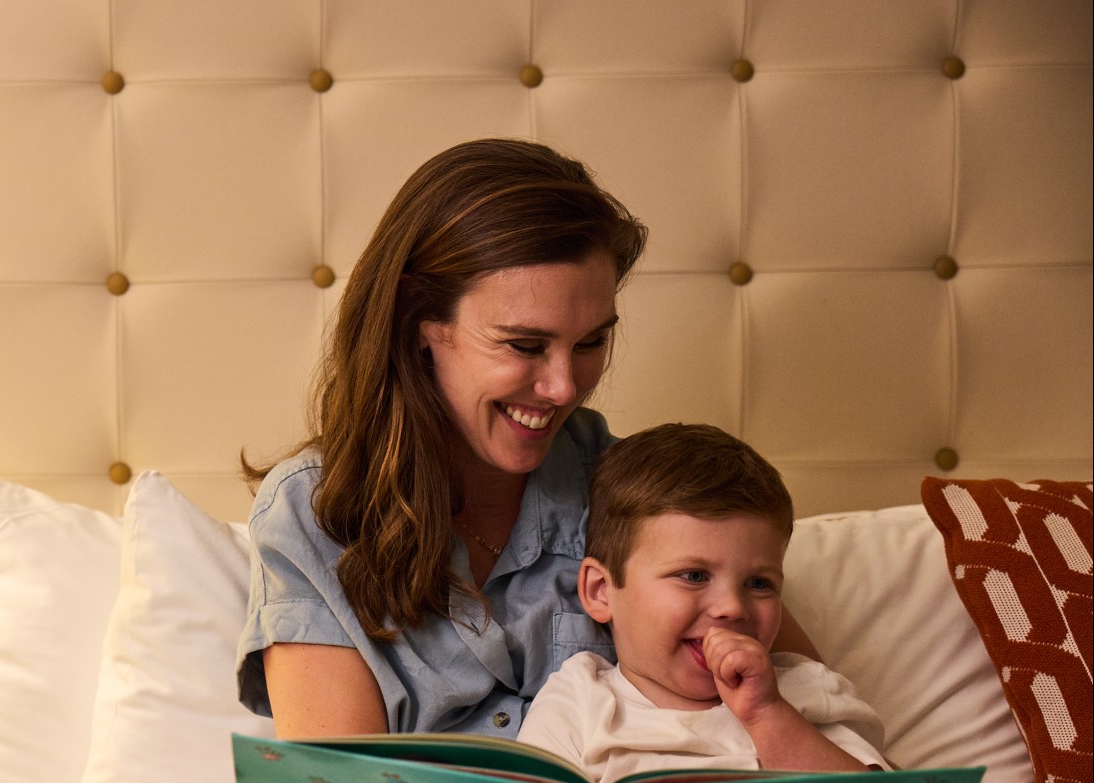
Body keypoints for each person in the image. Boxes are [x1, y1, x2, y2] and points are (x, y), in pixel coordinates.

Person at [239, 137, 815, 742]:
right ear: (419, 321)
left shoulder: (638, 493)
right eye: (524, 345)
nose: (565, 387)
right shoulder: (314, 514)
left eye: (591, 343)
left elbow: (801, 701)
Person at [516, 423, 986, 783]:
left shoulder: (799, 690)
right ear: (601, 590)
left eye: (759, 583)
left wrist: (766, 715)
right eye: (693, 575)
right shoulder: (580, 696)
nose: (733, 608)